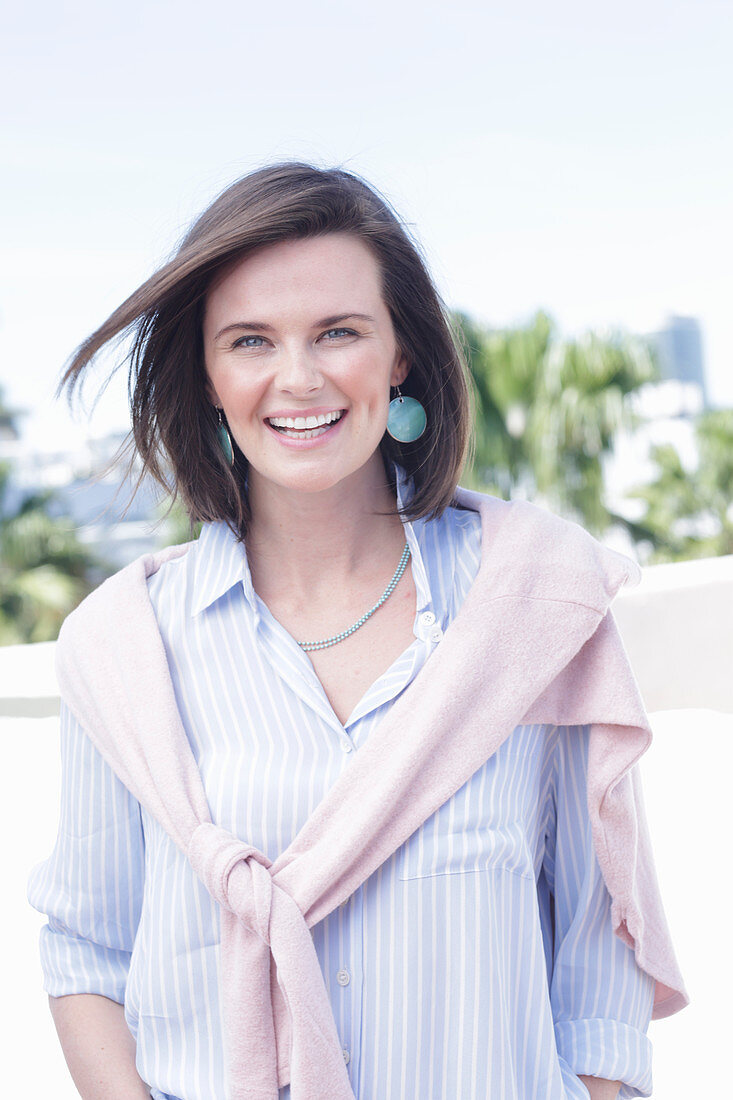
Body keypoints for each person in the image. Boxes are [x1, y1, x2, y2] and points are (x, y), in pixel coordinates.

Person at [28, 162, 687, 1100]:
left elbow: (593, 950)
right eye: (249, 340)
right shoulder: (122, 646)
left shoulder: (537, 601)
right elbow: (86, 948)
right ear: (208, 375)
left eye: (338, 332)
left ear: (400, 355)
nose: (298, 378)